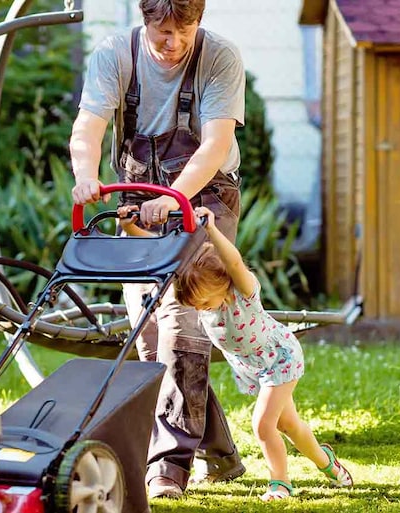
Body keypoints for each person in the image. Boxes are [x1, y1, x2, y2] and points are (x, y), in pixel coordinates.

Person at [69, 0, 246, 499]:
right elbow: (88, 127)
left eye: (185, 29)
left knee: (180, 316)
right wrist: (87, 177)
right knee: (148, 331)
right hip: (136, 196)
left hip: (206, 195)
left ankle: (168, 464)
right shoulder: (115, 54)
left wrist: (173, 200)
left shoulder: (220, 57)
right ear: (145, 19)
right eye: (163, 31)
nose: (174, 43)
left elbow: (213, 145)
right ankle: (220, 452)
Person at [164, 206, 354, 501]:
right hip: (255, 366)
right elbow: (168, 267)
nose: (198, 308)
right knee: (288, 424)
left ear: (222, 282)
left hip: (280, 359)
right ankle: (328, 462)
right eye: (194, 304)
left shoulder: (243, 293)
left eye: (202, 301)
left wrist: (212, 230)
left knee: (263, 426)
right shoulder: (205, 305)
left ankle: (281, 484)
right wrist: (133, 229)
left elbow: (236, 263)